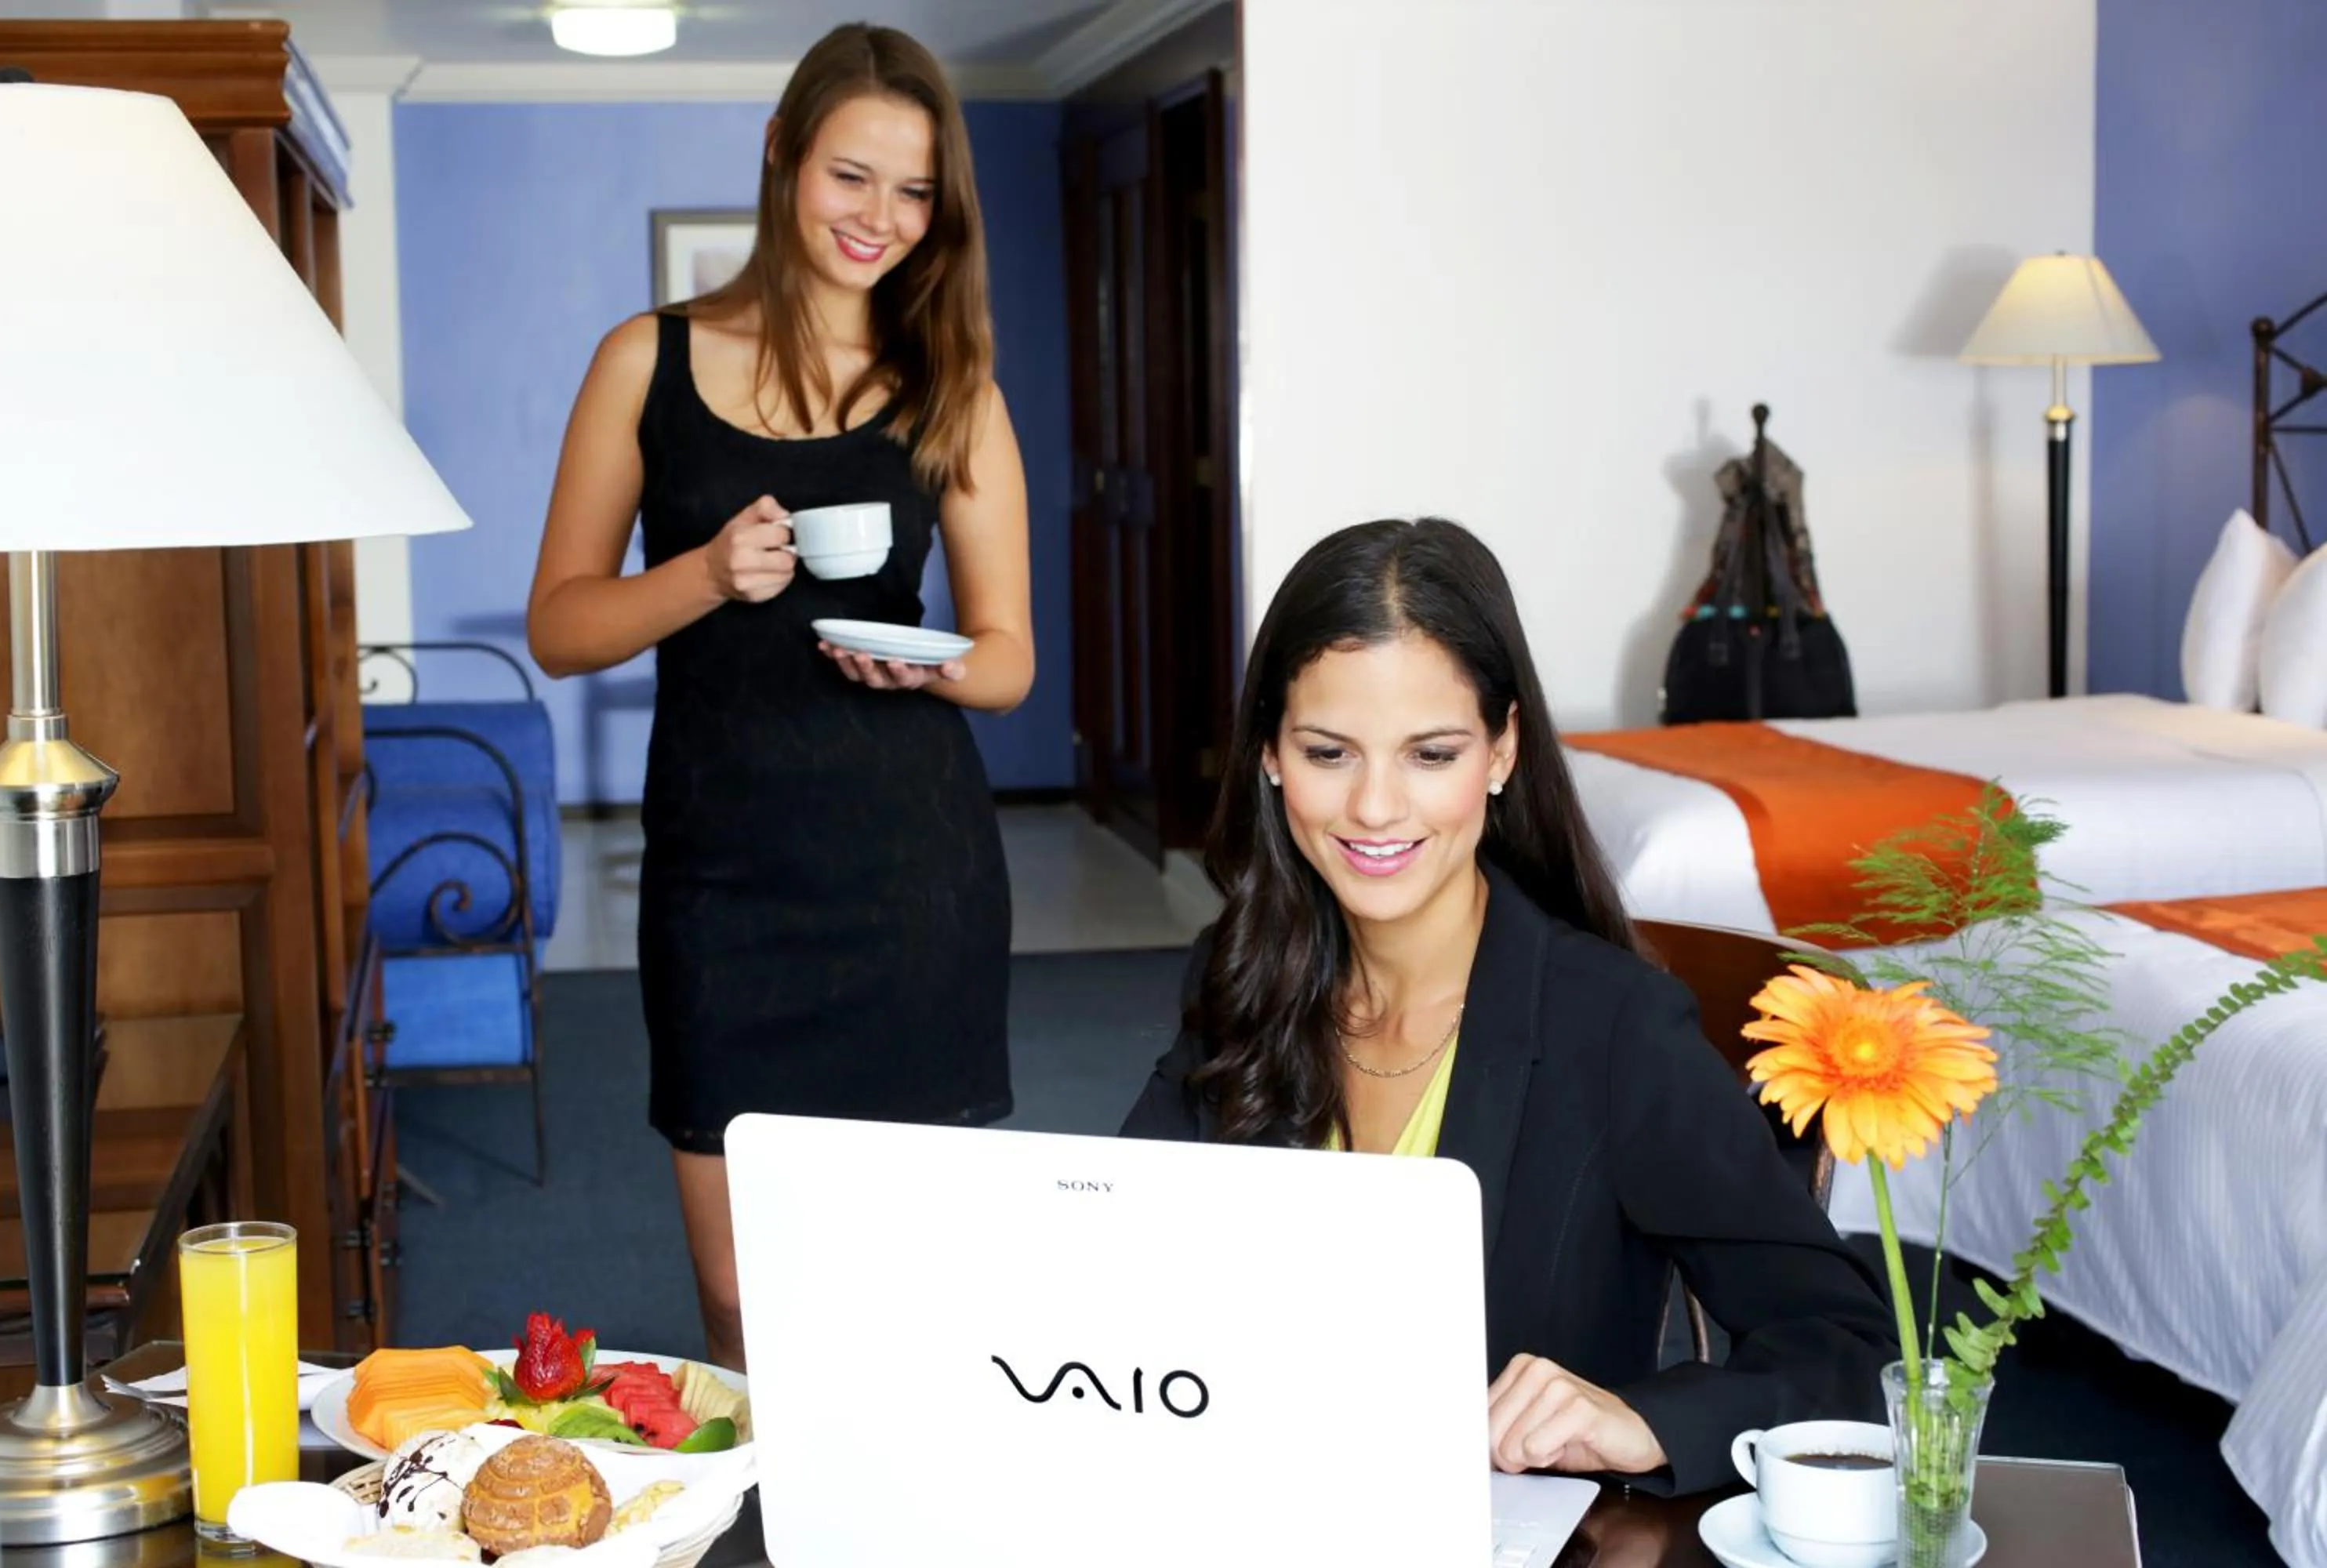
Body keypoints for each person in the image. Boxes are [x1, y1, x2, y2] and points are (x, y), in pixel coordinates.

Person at [1119, 518, 1895, 1496]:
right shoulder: (1235, 976)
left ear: (1501, 750)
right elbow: (1116, 1259)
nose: (1374, 807)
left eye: (1430, 754)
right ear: (1270, 754)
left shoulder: (1611, 1027)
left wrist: (1646, 1418)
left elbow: (1852, 1349)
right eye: (1330, 752)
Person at [526, 22, 1032, 1369]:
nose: (882, 218)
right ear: (779, 155)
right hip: (723, 886)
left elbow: (1008, 657)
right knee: (745, 1303)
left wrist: (922, 664)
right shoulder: (647, 360)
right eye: (851, 176)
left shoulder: (949, 387)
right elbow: (562, 626)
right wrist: (699, 574)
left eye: (915, 191)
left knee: (909, 1295)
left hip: (908, 878)